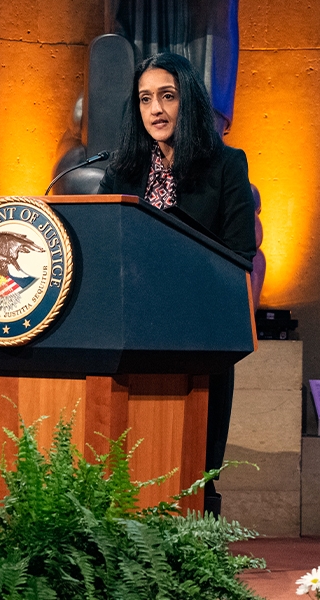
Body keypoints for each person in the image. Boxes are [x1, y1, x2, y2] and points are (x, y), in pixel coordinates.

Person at [98, 52, 257, 515]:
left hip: (199, 329)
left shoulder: (226, 164)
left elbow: (240, 254)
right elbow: (105, 248)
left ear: (188, 101)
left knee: (195, 455)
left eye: (168, 96)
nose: (156, 110)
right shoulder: (123, 171)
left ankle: (197, 530)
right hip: (132, 333)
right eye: (146, 99)